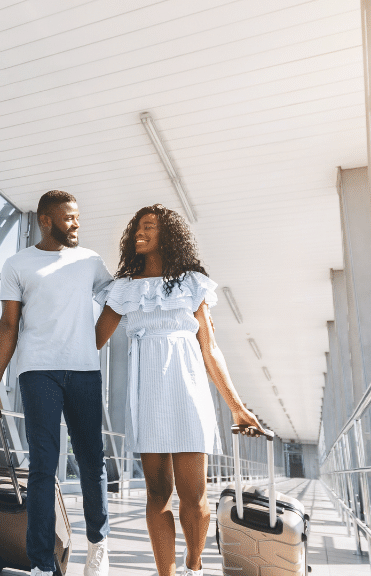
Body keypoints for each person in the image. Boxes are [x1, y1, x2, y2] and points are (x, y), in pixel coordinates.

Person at [94, 204, 261, 576]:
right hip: (147, 391)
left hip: (188, 390)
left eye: (149, 227)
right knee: (157, 493)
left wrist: (237, 407)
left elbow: (210, 349)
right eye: (136, 227)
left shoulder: (192, 283)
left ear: (167, 236)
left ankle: (194, 564)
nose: (139, 232)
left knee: (195, 497)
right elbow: (94, 342)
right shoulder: (122, 288)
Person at [0, 190, 113, 576]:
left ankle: (98, 544)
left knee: (90, 460)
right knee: (43, 466)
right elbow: (8, 325)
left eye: (78, 217)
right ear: (46, 220)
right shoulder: (18, 264)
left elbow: (116, 302)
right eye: (69, 217)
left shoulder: (90, 261)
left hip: (84, 372)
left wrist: (91, 343)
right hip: (37, 372)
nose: (76, 224)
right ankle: (40, 563)